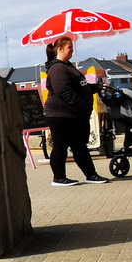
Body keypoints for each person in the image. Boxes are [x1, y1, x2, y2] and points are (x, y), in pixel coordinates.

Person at [43, 36, 108, 186]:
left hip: (73, 115)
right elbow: (64, 92)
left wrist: (94, 88)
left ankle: (91, 175)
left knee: (79, 146)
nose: (72, 51)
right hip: (62, 115)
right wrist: (82, 105)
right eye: (69, 48)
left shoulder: (68, 66)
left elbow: (80, 88)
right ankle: (59, 178)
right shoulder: (58, 68)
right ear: (60, 49)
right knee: (60, 145)